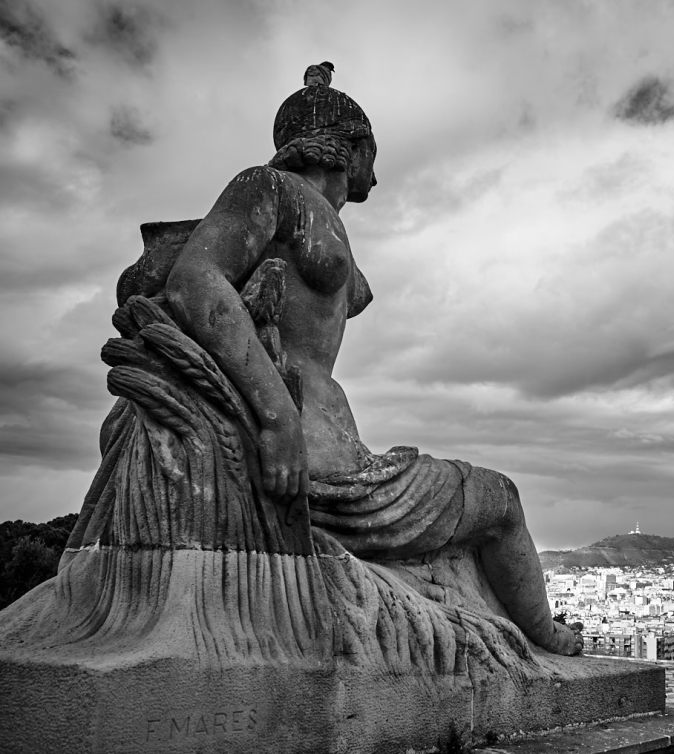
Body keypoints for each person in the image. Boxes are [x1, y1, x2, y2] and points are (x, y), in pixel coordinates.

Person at [163, 63, 580, 656]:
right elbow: (195, 281)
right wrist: (279, 418)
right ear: (348, 148)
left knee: (496, 499)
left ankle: (533, 634)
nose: (376, 177)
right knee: (502, 500)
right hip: (314, 454)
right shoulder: (270, 189)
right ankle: (543, 640)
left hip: (333, 446)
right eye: (372, 155)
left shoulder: (319, 216)